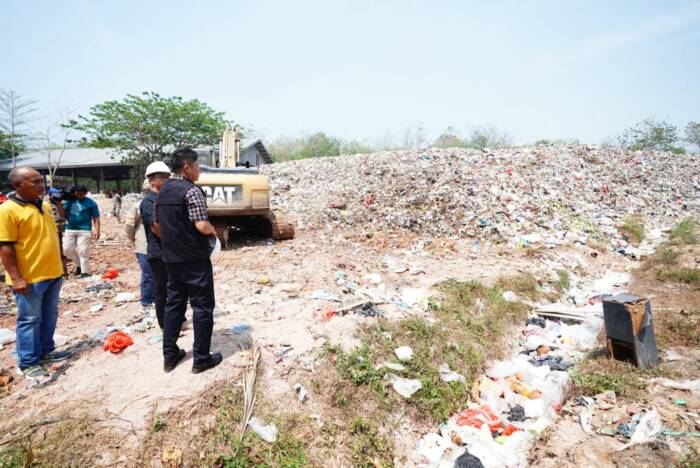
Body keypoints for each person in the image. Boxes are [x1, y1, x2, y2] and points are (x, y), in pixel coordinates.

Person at [154, 148, 221, 374]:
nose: (199, 170)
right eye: (197, 165)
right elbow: (201, 225)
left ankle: (170, 356)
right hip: (194, 259)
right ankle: (201, 358)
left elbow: (157, 227)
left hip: (171, 259)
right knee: (202, 307)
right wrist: (214, 232)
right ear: (187, 167)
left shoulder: (161, 192)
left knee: (174, 305)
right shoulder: (192, 191)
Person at [0, 167, 70, 379]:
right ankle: (29, 362)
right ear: (18, 185)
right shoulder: (7, 210)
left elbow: (52, 236)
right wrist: (16, 278)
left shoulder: (45, 205)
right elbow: (5, 247)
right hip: (29, 278)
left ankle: (46, 351)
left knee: (49, 314)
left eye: (41, 181)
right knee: (30, 319)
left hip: (52, 273)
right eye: (35, 182)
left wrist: (62, 262)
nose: (41, 185)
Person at [140, 161, 171, 329]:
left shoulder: (165, 199)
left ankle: (176, 321)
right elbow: (156, 229)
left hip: (170, 252)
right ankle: (165, 325)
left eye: (167, 176)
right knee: (162, 291)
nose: (166, 180)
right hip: (159, 253)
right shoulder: (148, 202)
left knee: (174, 289)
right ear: (151, 180)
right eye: (161, 177)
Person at [57, 185, 100, 277]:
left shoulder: (91, 203)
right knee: (67, 249)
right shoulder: (69, 202)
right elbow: (63, 215)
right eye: (77, 194)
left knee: (83, 251)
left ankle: (85, 272)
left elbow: (95, 217)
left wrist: (97, 230)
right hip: (70, 228)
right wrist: (59, 205)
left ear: (85, 193)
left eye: (81, 194)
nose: (79, 196)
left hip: (85, 230)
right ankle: (80, 266)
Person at [125, 180, 155, 311]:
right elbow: (130, 226)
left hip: (155, 246)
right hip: (144, 246)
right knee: (148, 275)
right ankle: (147, 301)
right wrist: (134, 240)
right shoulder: (138, 206)